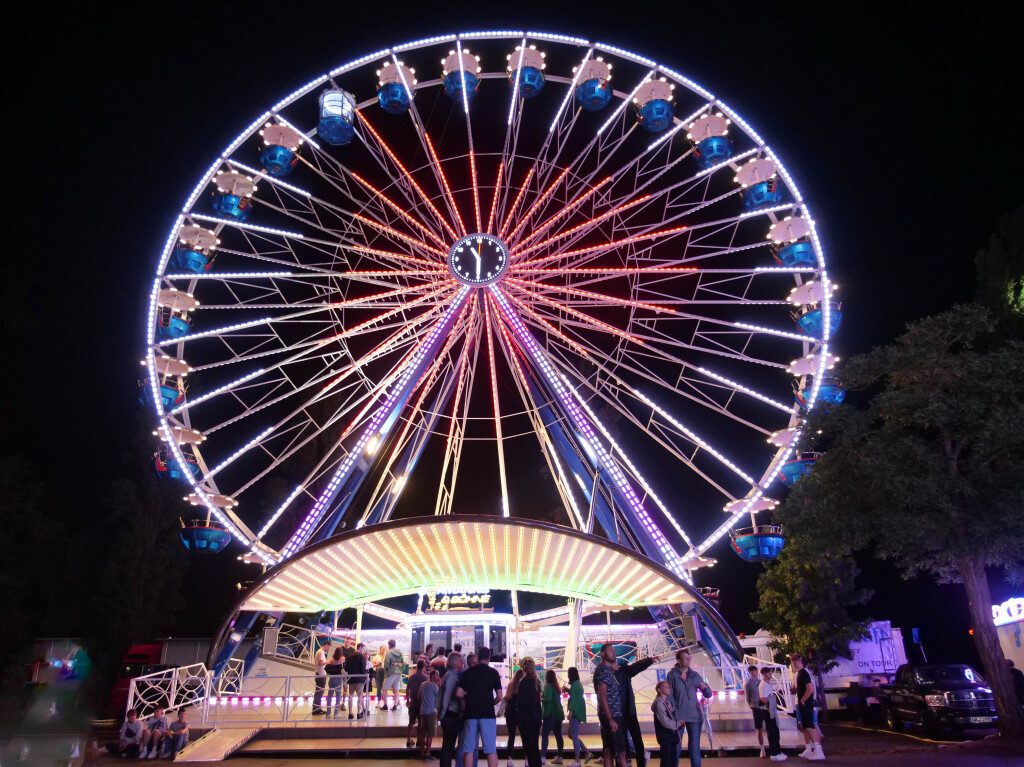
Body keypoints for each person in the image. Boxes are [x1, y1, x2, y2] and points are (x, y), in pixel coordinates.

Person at [456, 645, 503, 767]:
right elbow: (499, 696)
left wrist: (469, 697)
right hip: (487, 714)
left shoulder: (468, 673)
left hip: (470, 713)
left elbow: (458, 693)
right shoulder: (493, 673)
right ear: (489, 657)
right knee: (491, 749)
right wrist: (490, 703)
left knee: (469, 749)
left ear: (479, 656)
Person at [614, 650, 659, 767]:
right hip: (626, 712)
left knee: (628, 742)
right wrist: (649, 660)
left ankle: (628, 762)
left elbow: (635, 667)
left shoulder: (621, 671)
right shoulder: (620, 671)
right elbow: (635, 668)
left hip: (623, 712)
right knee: (633, 742)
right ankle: (630, 762)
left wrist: (648, 661)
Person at [667, 649, 711, 767]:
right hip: (678, 716)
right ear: (678, 660)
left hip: (694, 716)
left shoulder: (695, 675)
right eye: (686, 658)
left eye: (689, 658)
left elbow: (708, 694)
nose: (688, 660)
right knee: (676, 748)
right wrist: (674, 713)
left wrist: (705, 688)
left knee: (694, 748)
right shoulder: (672, 675)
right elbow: (669, 695)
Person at [594, 642, 627, 767]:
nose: (614, 653)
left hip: (608, 714)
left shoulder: (605, 670)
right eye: (610, 651)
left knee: (609, 749)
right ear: (602, 654)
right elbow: (602, 694)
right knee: (621, 751)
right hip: (611, 714)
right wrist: (610, 719)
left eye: (614, 651)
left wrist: (612, 672)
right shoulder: (603, 670)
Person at [790, 654, 824, 760]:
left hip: (807, 704)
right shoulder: (799, 673)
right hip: (803, 704)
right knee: (806, 726)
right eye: (792, 661)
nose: (794, 663)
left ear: (801, 660)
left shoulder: (804, 673)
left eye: (796, 660)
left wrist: (803, 699)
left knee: (810, 726)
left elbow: (810, 688)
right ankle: (813, 750)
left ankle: (818, 751)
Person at [439, 652, 466, 767]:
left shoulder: (448, 675)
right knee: (448, 746)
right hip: (451, 714)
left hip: (448, 714)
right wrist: (443, 713)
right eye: (460, 660)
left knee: (447, 745)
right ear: (454, 662)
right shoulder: (452, 676)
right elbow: (447, 696)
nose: (462, 662)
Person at [517, 657, 543, 767]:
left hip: (527, 718)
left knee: (529, 746)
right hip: (537, 717)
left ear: (524, 669)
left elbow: (521, 702)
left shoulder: (523, 683)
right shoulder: (537, 682)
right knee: (535, 744)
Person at [759, 667, 786, 761]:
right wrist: (772, 698)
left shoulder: (767, 684)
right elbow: (763, 699)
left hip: (770, 709)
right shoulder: (763, 685)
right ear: (765, 674)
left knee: (774, 731)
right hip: (767, 710)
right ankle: (775, 753)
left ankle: (777, 751)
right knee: (772, 731)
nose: (771, 675)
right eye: (769, 673)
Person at [650, 681, 680, 767]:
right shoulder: (659, 703)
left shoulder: (668, 703)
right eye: (666, 687)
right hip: (665, 735)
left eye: (669, 686)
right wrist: (677, 724)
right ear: (659, 690)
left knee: (672, 758)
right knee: (666, 759)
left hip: (670, 734)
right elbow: (664, 721)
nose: (668, 688)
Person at [565, 667, 590, 767]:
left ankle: (577, 760)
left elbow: (574, 699)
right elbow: (576, 695)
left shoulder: (575, 685)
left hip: (575, 713)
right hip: (579, 711)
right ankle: (587, 752)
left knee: (573, 735)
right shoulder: (577, 684)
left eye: (568, 673)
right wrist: (567, 690)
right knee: (572, 735)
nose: (567, 675)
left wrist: (570, 712)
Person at [541, 668, 566, 764]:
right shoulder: (556, 687)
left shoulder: (547, 686)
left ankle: (543, 756)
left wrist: (540, 699)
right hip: (558, 714)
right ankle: (560, 756)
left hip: (550, 714)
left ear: (547, 677)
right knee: (558, 735)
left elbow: (548, 698)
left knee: (545, 735)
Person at [503, 669, 525, 767]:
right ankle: (527, 759)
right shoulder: (523, 686)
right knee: (524, 736)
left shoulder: (510, 685)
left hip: (510, 713)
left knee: (511, 736)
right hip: (520, 713)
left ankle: (509, 759)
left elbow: (506, 698)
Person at [407, 659, 431, 747]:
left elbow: (407, 689)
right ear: (424, 667)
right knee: (420, 722)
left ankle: (408, 739)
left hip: (413, 701)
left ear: (417, 666)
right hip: (421, 702)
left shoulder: (411, 676)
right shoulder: (426, 678)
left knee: (411, 721)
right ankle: (419, 740)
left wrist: (407, 700)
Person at [744, 665, 766, 758]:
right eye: (753, 671)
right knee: (759, 728)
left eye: (756, 671)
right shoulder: (748, 684)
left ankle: (771, 747)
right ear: (750, 672)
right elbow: (747, 697)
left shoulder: (761, 682)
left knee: (769, 727)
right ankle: (762, 749)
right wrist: (752, 705)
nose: (755, 673)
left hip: (765, 707)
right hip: (756, 707)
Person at [419, 669, 441, 758]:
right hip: (431, 711)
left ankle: (422, 753)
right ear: (432, 676)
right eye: (437, 675)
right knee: (430, 734)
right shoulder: (434, 687)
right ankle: (427, 753)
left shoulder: (423, 685)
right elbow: (439, 699)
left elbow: (418, 697)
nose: (438, 677)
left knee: (423, 733)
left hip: (423, 711)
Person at [346, 642, 369, 719]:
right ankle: (359, 713)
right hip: (359, 679)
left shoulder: (349, 657)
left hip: (351, 678)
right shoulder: (361, 657)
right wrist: (365, 675)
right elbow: (363, 668)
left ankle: (350, 713)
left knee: (350, 695)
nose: (363, 650)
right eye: (363, 648)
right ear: (360, 648)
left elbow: (347, 668)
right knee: (359, 695)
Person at [382, 639, 406, 711]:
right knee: (396, 689)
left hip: (391, 672)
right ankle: (395, 705)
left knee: (384, 689)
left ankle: (385, 705)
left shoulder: (389, 653)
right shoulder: (400, 653)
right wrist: (401, 670)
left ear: (389, 645)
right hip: (398, 673)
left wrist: (386, 670)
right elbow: (403, 664)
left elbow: (386, 663)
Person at [326, 647, 345, 718]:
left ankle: (328, 713)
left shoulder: (332, 660)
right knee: (338, 696)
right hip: (338, 678)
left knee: (330, 696)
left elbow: (328, 664)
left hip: (331, 678)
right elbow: (343, 666)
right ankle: (336, 713)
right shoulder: (342, 658)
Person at [313, 640, 330, 715]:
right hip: (321, 674)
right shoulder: (321, 652)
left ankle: (316, 708)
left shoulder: (319, 652)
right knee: (320, 692)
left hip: (318, 673)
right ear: (326, 645)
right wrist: (329, 662)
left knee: (318, 692)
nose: (328, 649)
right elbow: (321, 663)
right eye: (328, 647)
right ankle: (317, 709)